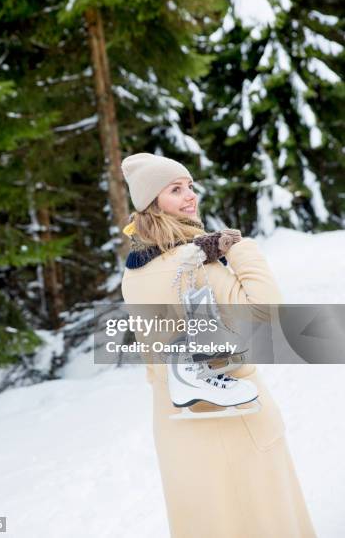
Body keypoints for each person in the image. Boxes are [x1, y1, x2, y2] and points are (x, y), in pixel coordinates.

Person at [120, 152, 316, 538]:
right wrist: (239, 248)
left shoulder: (134, 272)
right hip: (235, 416)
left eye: (190, 185)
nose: (190, 195)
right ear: (151, 203)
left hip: (177, 428)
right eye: (176, 189)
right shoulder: (195, 264)